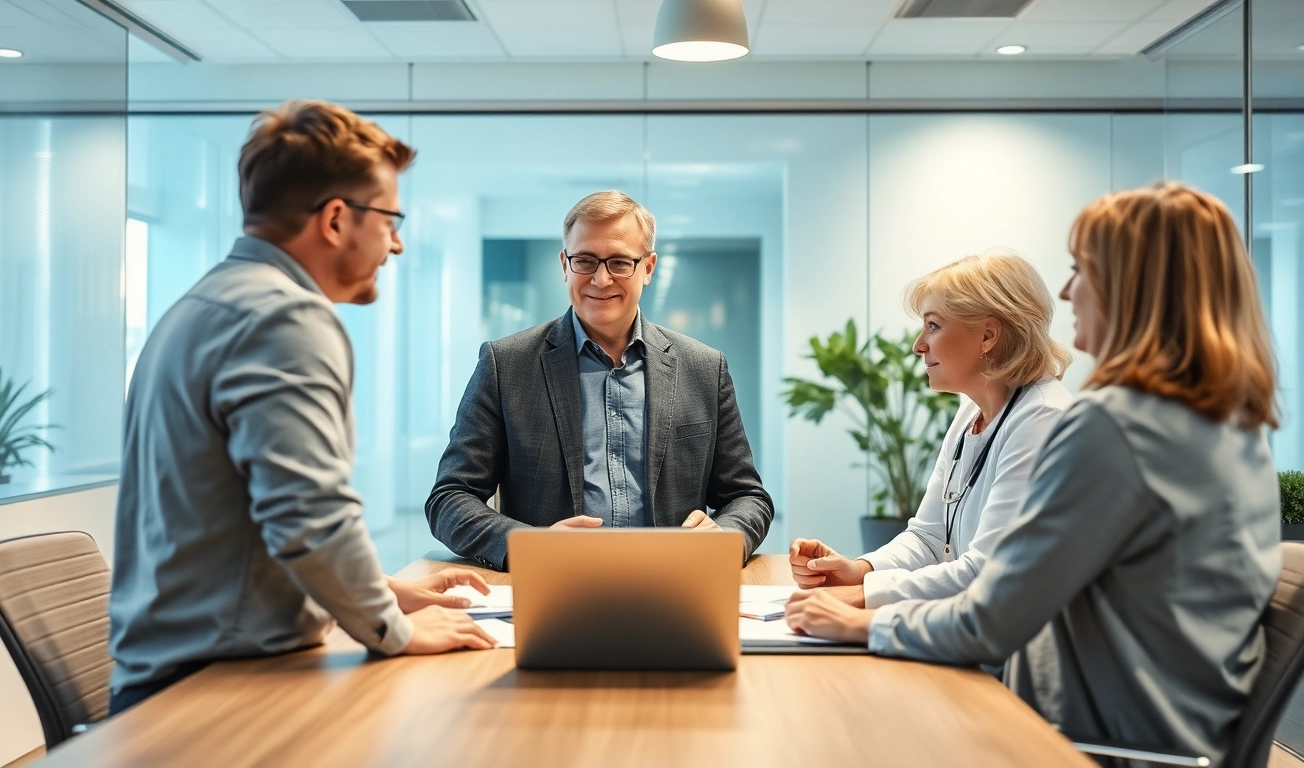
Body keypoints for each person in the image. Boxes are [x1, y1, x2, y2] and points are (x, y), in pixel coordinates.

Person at [785, 182, 1281, 764]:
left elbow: (991, 616)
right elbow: (954, 558)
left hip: (1093, 744)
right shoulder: (1230, 426)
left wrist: (860, 622)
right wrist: (863, 578)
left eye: (1081, 271)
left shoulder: (1112, 428)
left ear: (1133, 287)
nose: (1067, 293)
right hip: (1162, 733)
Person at [109, 100, 495, 715]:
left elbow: (248, 517)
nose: (396, 244)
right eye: (391, 219)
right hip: (220, 694)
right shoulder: (286, 319)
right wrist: (393, 629)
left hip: (184, 672)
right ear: (337, 219)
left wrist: (392, 592)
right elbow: (307, 514)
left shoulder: (204, 305)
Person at [426, 190, 773, 569]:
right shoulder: (506, 365)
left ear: (649, 267)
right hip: (556, 585)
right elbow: (450, 498)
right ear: (564, 264)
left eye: (621, 262)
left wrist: (722, 536)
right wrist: (531, 546)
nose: (601, 279)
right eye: (585, 260)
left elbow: (747, 497)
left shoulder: (704, 368)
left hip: (676, 580)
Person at [790, 252, 1073, 610]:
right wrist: (860, 570)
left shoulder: (1042, 419)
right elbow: (928, 537)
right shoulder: (971, 413)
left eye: (933, 326)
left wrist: (861, 596)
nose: (918, 344)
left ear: (988, 335)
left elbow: (987, 573)